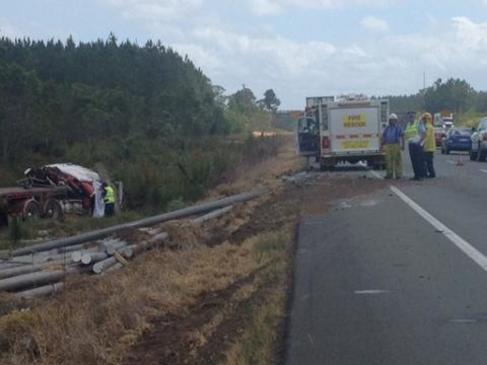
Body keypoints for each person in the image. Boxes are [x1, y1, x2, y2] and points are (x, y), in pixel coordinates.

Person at [381, 113, 404, 179]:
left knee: (397, 160)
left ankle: (398, 175)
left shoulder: (398, 127)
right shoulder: (387, 128)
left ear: (396, 120)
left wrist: (403, 145)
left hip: (396, 144)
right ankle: (389, 174)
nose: (392, 121)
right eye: (391, 120)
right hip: (388, 145)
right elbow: (384, 136)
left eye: (394, 120)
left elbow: (402, 136)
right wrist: (382, 145)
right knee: (388, 160)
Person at [405, 112, 426, 181]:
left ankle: (421, 175)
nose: (411, 118)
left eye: (412, 116)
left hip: (417, 145)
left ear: (414, 117)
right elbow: (407, 134)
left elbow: (423, 133)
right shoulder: (408, 125)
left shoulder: (418, 123)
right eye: (410, 116)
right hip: (411, 144)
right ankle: (416, 175)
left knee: (419, 161)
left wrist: (420, 142)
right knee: (413, 161)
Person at [422, 112, 436, 178]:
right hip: (431, 147)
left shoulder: (427, 127)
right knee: (429, 162)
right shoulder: (431, 126)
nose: (423, 120)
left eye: (424, 119)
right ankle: (431, 173)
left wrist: (421, 143)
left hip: (427, 147)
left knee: (426, 162)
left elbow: (426, 136)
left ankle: (429, 174)